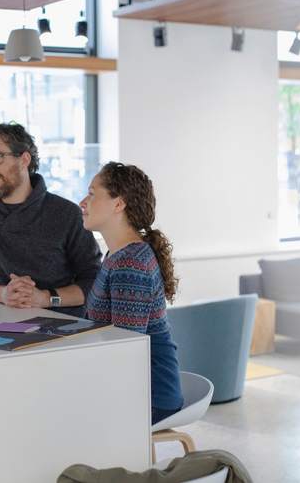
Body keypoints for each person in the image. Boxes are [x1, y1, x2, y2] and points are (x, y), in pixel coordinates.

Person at [0, 122, 101, 317]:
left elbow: (94, 281)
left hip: (62, 324)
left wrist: (45, 298)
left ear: (24, 159)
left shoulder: (67, 213)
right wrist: (3, 294)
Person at [80, 162, 183, 424]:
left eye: (92, 194)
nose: (83, 202)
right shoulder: (118, 254)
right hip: (136, 388)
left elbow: (126, 353)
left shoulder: (130, 263)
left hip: (150, 397)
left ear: (118, 204)